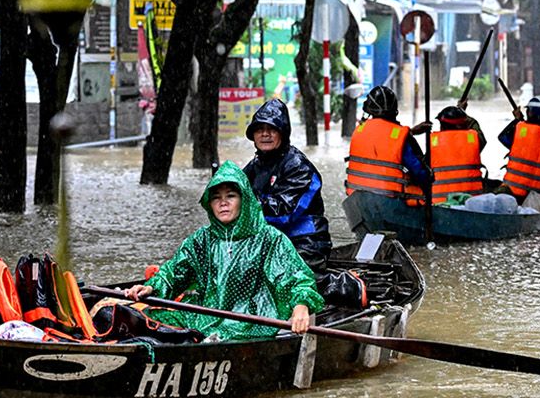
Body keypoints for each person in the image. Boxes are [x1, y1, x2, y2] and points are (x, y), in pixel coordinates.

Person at [124, 162, 322, 341]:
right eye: (216, 198)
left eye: (231, 196)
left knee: (225, 333)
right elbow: (174, 273)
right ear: (209, 204)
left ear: (244, 200)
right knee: (142, 318)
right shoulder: (201, 239)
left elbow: (296, 278)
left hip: (251, 320)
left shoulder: (269, 238)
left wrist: (301, 306)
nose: (223, 203)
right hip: (202, 315)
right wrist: (151, 288)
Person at [242, 98, 366, 306]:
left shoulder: (299, 167)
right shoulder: (253, 166)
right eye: (259, 129)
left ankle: (344, 285)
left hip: (305, 242)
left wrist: (247, 202)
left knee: (284, 280)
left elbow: (282, 213)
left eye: (271, 129)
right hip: (268, 241)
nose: (265, 134)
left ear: (283, 132)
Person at [346, 85, 433, 204]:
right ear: (395, 109)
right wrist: (431, 177)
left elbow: (381, 140)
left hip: (357, 198)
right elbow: (419, 172)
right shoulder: (400, 136)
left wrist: (411, 132)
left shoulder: (359, 131)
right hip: (392, 201)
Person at [498, 96, 540, 204]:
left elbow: (503, 138)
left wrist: (517, 120)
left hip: (512, 194)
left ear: (531, 113)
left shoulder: (520, 130)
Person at [429, 105, 487, 202]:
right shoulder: (473, 139)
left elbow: (423, 167)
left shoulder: (434, 143)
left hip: (441, 201)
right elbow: (476, 130)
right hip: (472, 200)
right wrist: (464, 114)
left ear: (442, 126)